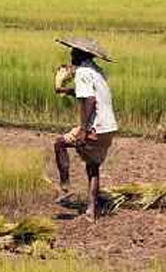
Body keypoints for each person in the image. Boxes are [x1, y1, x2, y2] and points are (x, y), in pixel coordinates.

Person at [51, 37, 118, 222]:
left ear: (82, 54)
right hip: (109, 128)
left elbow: (89, 100)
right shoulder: (97, 71)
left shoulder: (81, 72)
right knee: (93, 166)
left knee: (59, 144)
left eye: (74, 51)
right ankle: (91, 210)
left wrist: (83, 129)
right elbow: (88, 93)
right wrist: (65, 91)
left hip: (94, 127)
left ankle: (65, 186)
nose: (71, 54)